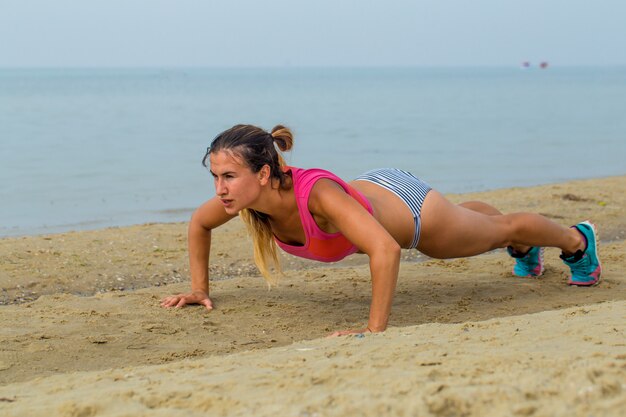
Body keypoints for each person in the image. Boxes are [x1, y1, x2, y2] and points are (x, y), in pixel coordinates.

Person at [160, 124, 601, 336]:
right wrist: (200, 288)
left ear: (262, 173)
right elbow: (199, 223)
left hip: (410, 214)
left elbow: (386, 251)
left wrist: (373, 333)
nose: (220, 189)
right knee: (479, 225)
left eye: (228, 177)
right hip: (377, 191)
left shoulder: (317, 196)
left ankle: (578, 242)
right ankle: (509, 238)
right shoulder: (246, 199)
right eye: (215, 177)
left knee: (494, 231)